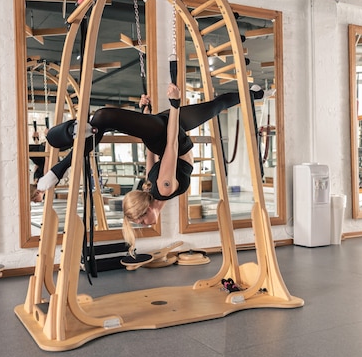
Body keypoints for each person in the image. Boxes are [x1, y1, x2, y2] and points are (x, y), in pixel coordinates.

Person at [37, 83, 264, 255]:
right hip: (168, 130)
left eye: (140, 221)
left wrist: (163, 108)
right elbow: (163, 149)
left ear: (147, 208)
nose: (143, 224)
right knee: (217, 105)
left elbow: (162, 149)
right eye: (140, 223)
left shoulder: (160, 188)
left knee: (103, 117)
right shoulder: (158, 189)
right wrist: (157, 114)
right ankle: (72, 143)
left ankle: (61, 164)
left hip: (167, 132)